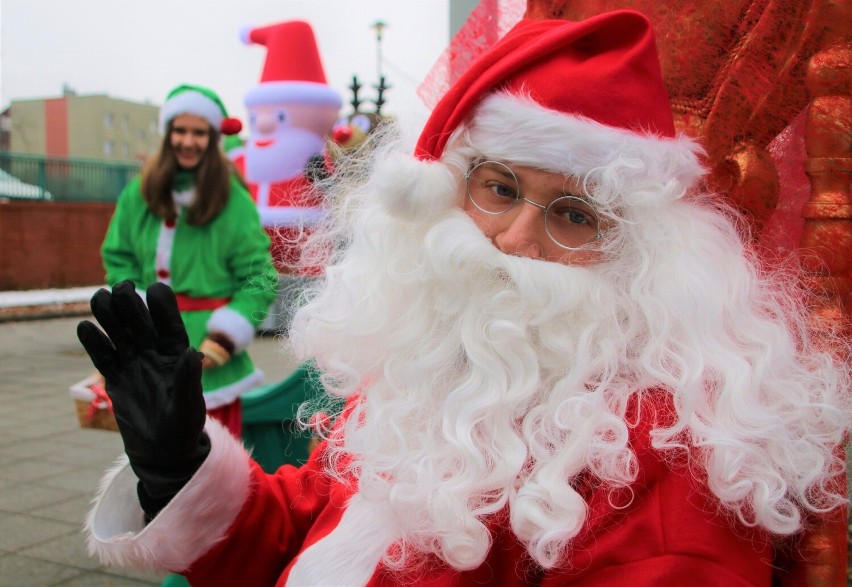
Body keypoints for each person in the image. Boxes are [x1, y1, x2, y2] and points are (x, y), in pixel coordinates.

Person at [78, 12, 850, 586]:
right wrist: (181, 469)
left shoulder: (665, 458)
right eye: (500, 188)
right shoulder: (446, 362)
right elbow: (314, 530)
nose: (515, 237)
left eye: (573, 214)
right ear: (450, 192)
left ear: (638, 252)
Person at [98, 83, 277, 438]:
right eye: (180, 130)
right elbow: (119, 256)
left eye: (199, 132)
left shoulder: (232, 199)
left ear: (213, 138)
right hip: (150, 350)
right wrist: (134, 312)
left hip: (209, 356)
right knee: (153, 464)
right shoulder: (140, 191)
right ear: (167, 134)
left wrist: (224, 339)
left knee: (215, 471)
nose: (188, 141)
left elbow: (260, 278)